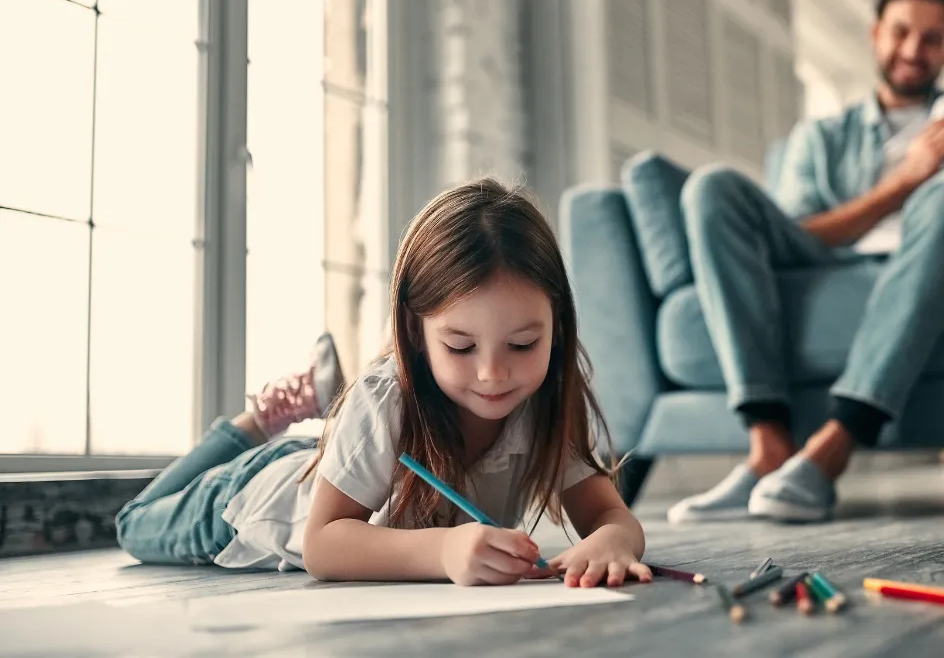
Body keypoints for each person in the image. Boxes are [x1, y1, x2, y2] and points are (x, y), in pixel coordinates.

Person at [117, 178, 652, 588]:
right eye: (460, 347)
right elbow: (323, 545)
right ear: (415, 334)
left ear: (556, 326)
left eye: (522, 345)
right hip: (247, 505)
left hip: (338, 461)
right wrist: (444, 552)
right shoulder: (386, 397)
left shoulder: (544, 401)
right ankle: (253, 426)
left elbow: (610, 514)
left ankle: (322, 417)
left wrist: (611, 540)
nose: (493, 373)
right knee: (131, 523)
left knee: (348, 442)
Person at [670, 0, 944, 524]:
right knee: (711, 186)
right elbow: (802, 236)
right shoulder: (822, 137)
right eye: (901, 32)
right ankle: (768, 444)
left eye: (932, 38)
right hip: (828, 258)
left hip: (924, 262)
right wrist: (903, 182)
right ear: (876, 34)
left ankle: (833, 448)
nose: (912, 50)